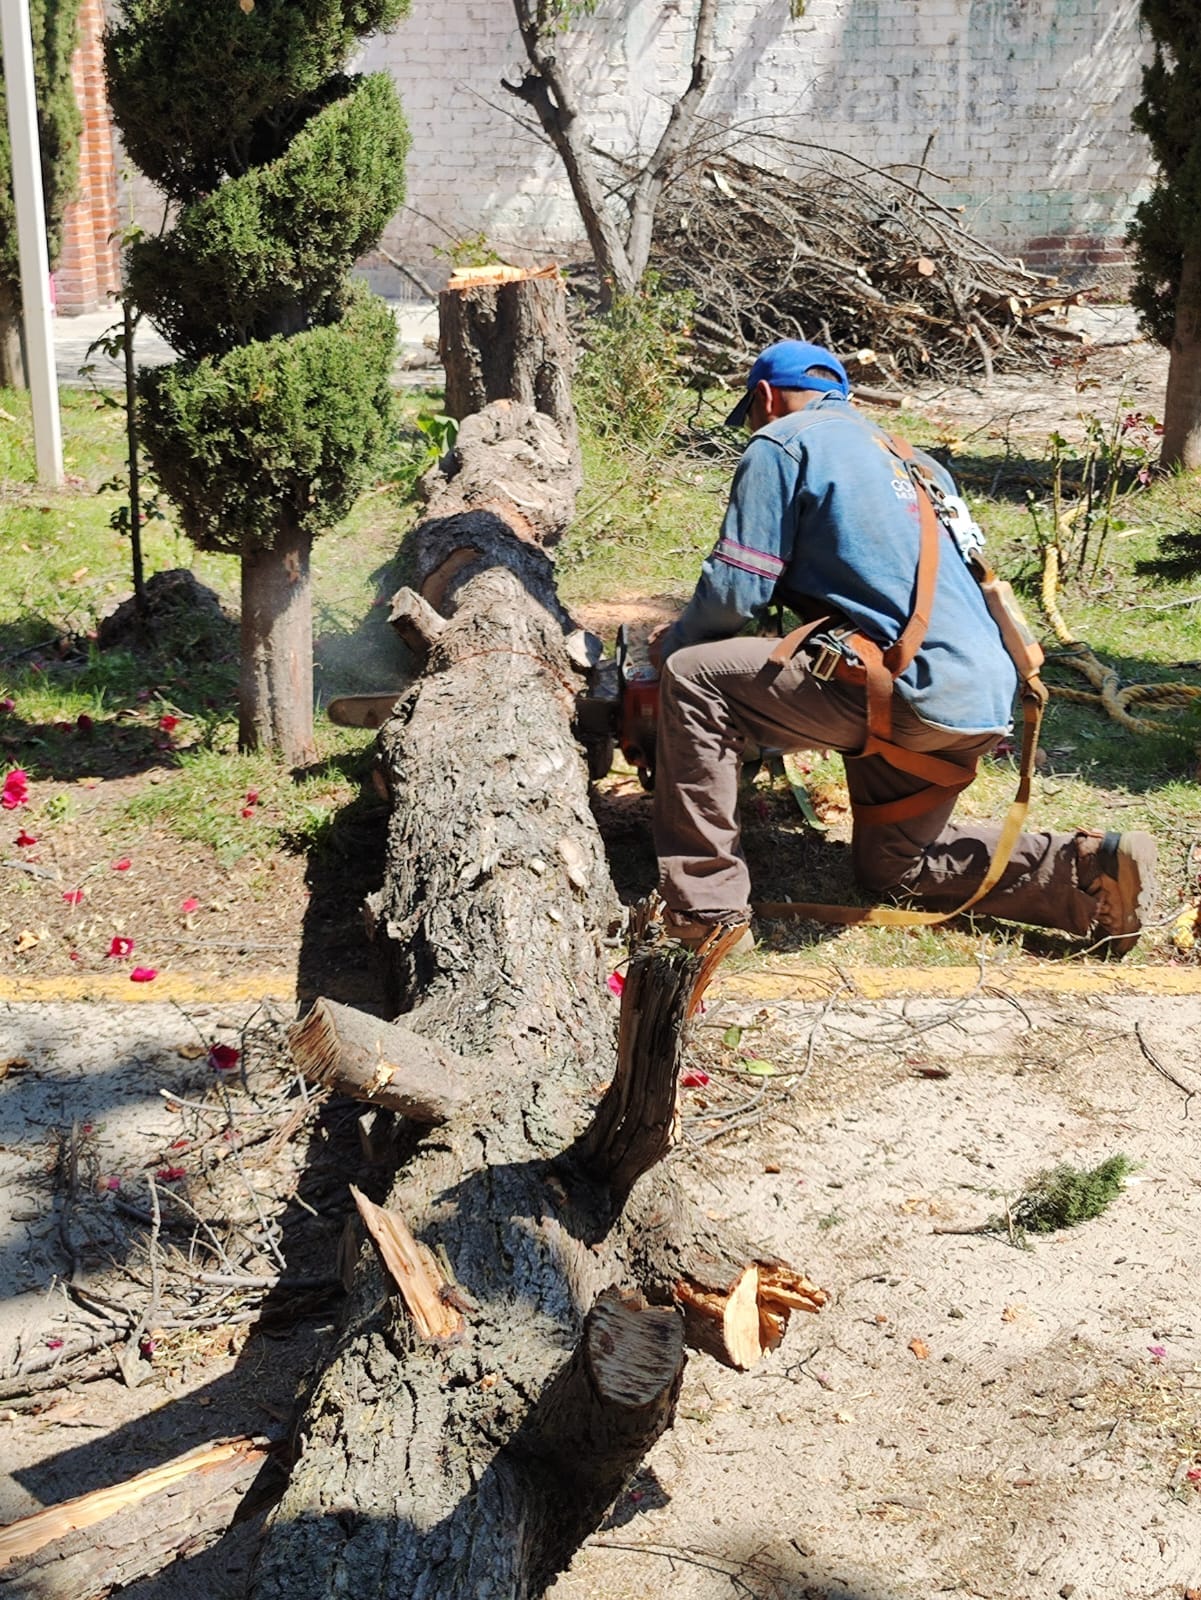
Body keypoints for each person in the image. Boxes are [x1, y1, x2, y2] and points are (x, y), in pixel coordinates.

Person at [650, 338, 1156, 956]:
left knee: (694, 674)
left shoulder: (782, 441)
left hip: (901, 690)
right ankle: (1085, 873)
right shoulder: (918, 462)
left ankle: (704, 911)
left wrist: (672, 646)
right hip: (983, 699)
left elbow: (736, 592)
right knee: (894, 868)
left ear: (764, 397)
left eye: (754, 411)